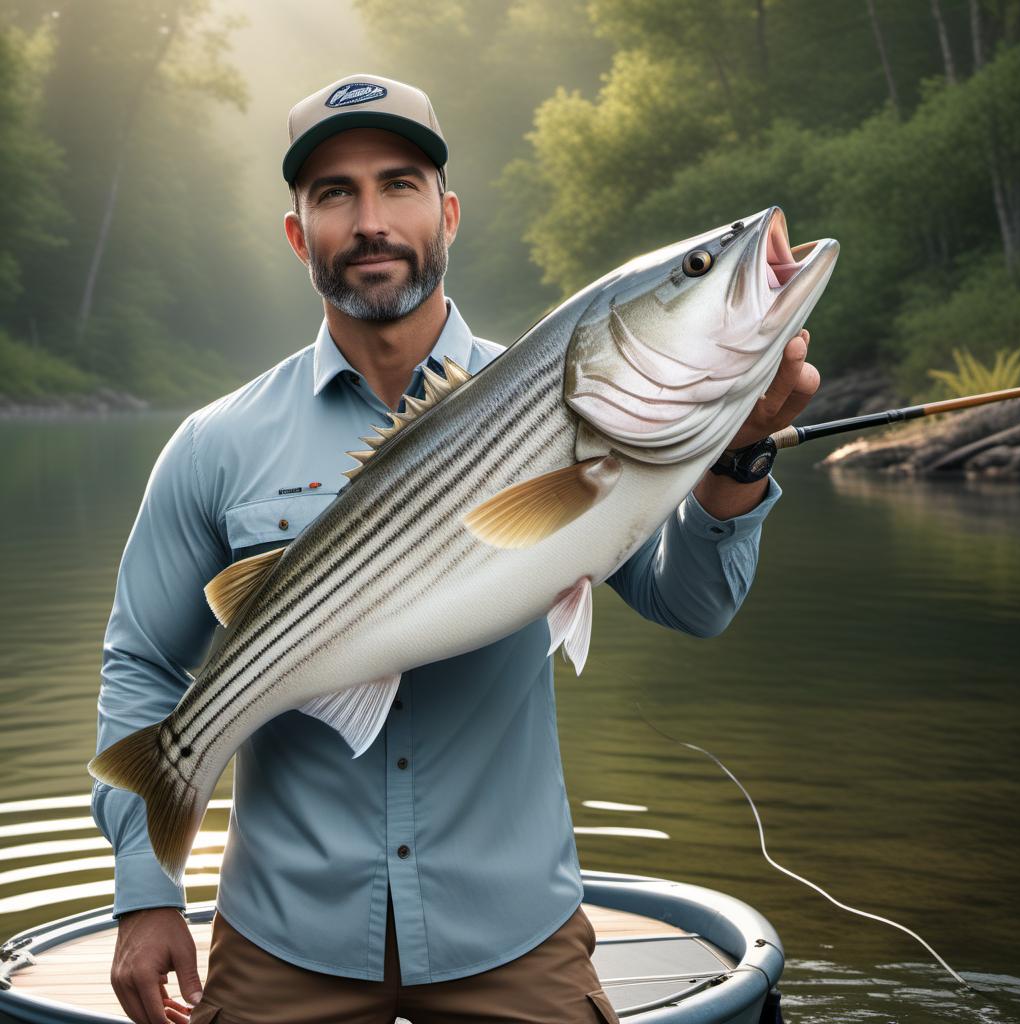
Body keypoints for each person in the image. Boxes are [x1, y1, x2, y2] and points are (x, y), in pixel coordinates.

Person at [92, 73, 819, 1024]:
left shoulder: (589, 415)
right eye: (333, 194)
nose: (370, 220)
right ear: (296, 230)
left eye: (398, 184)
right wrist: (146, 894)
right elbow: (143, 662)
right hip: (284, 932)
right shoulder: (214, 445)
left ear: (448, 212)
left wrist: (738, 459)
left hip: (512, 930)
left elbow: (696, 605)